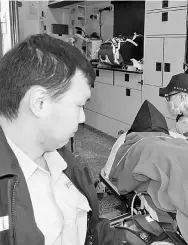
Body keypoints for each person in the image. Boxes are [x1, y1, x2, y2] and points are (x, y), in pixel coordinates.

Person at [0, 34, 123, 245]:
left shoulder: (68, 164)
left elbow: (92, 231)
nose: (83, 117)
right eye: (79, 105)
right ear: (40, 103)